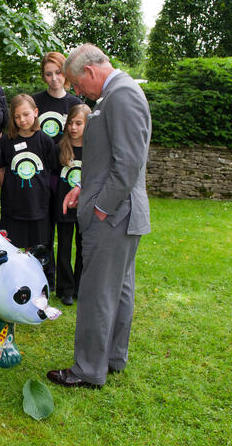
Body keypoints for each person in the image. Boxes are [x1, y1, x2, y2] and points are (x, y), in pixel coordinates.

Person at [47, 44, 151, 388]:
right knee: (119, 290)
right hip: (119, 213)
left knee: (95, 293)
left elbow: (129, 165)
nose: (78, 92)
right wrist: (84, 189)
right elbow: (110, 161)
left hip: (115, 215)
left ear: (90, 72)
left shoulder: (122, 95)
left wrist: (102, 208)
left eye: (78, 85)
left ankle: (88, 370)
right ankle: (112, 358)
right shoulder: (114, 97)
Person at [33, 52, 85, 292]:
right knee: (47, 231)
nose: (54, 79)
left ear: (66, 74)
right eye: (48, 74)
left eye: (59, 73)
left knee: (69, 231)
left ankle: (72, 283)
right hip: (43, 175)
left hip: (69, 175)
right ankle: (47, 278)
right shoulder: (36, 103)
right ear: (43, 76)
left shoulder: (75, 104)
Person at [0, 94, 58, 273]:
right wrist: (9, 189)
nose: (22, 120)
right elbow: (1, 170)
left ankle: (45, 282)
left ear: (36, 112)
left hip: (39, 207)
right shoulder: (6, 142)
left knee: (40, 249)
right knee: (12, 249)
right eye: (17, 116)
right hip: (14, 208)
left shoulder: (45, 141)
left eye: (26, 114)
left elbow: (52, 172)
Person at [54, 104, 91, 306]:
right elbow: (52, 177)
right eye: (71, 123)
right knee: (65, 248)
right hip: (64, 207)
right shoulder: (60, 148)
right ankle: (65, 288)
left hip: (85, 207)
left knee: (83, 247)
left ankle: (80, 286)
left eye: (79, 123)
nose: (74, 128)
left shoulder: (93, 151)